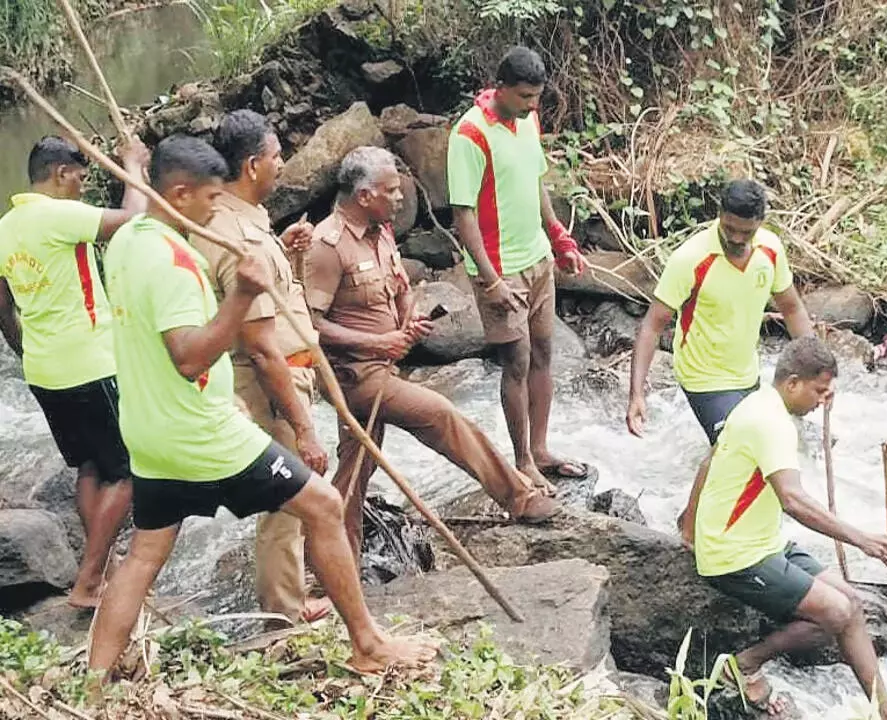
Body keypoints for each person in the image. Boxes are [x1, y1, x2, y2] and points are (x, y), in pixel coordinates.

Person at [90, 134, 437, 677]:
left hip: (149, 431)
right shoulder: (174, 260)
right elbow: (188, 357)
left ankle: (93, 684)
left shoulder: (129, 240)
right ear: (179, 194)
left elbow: (138, 203)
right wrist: (243, 296)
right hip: (201, 430)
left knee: (143, 558)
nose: (215, 208)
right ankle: (368, 644)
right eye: (208, 199)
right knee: (323, 505)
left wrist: (133, 161)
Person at [304, 145, 561, 562]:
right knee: (441, 414)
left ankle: (332, 559)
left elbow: (401, 290)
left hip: (386, 365)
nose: (402, 197)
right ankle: (518, 497)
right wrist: (379, 343)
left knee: (356, 469)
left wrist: (408, 322)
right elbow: (309, 323)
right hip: (355, 378)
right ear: (365, 196)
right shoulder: (326, 246)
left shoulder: (381, 232)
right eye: (391, 190)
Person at [682, 336, 887, 718]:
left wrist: (689, 524)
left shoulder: (755, 403)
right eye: (818, 391)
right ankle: (743, 665)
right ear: (792, 383)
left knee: (850, 603)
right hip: (735, 555)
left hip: (764, 542)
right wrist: (862, 540)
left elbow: (709, 461)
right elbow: (793, 499)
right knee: (833, 613)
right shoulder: (772, 424)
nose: (821, 401)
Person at [191, 109, 332, 627]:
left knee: (289, 499)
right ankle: (285, 611)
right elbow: (263, 347)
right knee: (288, 499)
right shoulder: (238, 237)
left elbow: (272, 298)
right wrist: (303, 424)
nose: (282, 165)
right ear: (252, 165)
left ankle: (287, 598)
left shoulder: (242, 221)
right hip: (271, 382)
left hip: (278, 372)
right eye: (276, 157)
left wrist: (287, 253)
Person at [0, 135, 149, 608]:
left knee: (90, 464)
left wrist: (24, 348)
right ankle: (89, 581)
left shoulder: (6, 227)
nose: (83, 188)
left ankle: (97, 569)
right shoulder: (57, 215)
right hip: (89, 361)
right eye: (82, 178)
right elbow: (133, 223)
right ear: (61, 173)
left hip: (45, 369)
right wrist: (132, 167)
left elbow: (3, 304)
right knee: (130, 470)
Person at [447, 45, 589, 491]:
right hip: (500, 269)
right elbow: (463, 213)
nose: (533, 106)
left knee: (545, 353)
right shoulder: (469, 134)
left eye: (537, 98)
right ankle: (522, 460)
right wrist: (490, 281)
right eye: (525, 97)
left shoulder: (528, 121)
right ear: (501, 87)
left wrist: (558, 236)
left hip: (537, 259)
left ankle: (542, 449)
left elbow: (535, 180)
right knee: (516, 361)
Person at [626, 179, 815, 445]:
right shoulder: (691, 258)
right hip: (703, 378)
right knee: (740, 450)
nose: (736, 238)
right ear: (719, 215)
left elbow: (792, 308)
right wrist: (636, 394)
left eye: (746, 232)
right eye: (729, 228)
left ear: (760, 222)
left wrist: (818, 370)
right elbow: (652, 326)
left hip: (747, 374)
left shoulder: (770, 250)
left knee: (767, 449)